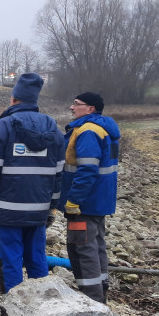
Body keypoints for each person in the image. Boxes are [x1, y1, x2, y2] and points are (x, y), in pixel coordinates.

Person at [0, 72, 65, 293]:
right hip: (38, 210)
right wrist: (52, 206)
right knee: (37, 258)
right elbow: (59, 174)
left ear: (14, 99)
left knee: (10, 259)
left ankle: (14, 306)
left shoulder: (3, 127)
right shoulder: (53, 128)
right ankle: (41, 306)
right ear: (35, 101)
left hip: (7, 211)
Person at [58, 91, 120, 303]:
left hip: (84, 204)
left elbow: (87, 170)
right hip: (99, 202)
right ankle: (101, 291)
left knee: (82, 249)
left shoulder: (88, 132)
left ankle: (92, 299)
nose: (72, 108)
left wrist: (74, 200)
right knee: (96, 246)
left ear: (90, 108)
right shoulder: (104, 128)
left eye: (76, 104)